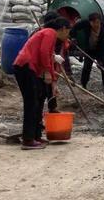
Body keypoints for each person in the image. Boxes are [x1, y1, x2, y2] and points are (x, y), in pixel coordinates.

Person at [13, 17, 71, 150]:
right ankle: (28, 140)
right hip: (25, 67)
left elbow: (49, 60)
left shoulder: (50, 36)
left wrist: (53, 83)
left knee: (39, 101)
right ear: (63, 29)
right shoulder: (49, 33)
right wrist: (46, 72)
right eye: (68, 31)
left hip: (32, 69)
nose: (67, 35)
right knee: (32, 102)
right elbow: (43, 52)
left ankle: (36, 135)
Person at [70, 12, 104, 90]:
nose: (96, 24)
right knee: (87, 68)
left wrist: (100, 60)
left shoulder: (103, 31)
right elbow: (74, 28)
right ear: (90, 22)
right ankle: (83, 85)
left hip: (100, 50)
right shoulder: (85, 24)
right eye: (93, 22)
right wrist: (73, 38)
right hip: (89, 49)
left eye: (97, 22)